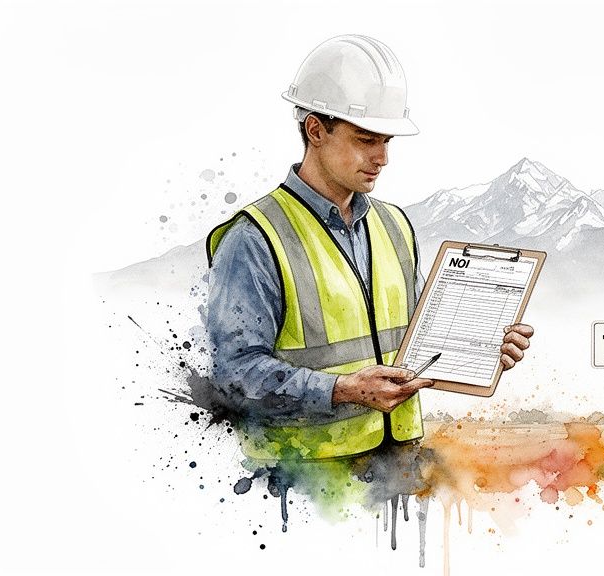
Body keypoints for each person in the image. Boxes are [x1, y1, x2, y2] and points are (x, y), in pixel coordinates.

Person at [205, 35, 533, 463]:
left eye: (386, 141)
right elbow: (232, 377)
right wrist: (342, 390)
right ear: (315, 130)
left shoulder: (394, 226)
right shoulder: (254, 238)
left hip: (396, 465)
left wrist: (486, 347)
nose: (382, 157)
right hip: (303, 477)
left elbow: (421, 338)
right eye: (366, 139)